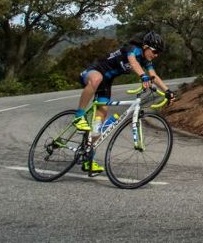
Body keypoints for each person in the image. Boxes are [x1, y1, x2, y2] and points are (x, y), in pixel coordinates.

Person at [72, 31, 175, 174]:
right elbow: (132, 62)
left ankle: (88, 158)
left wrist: (168, 91)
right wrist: (142, 76)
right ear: (145, 46)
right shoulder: (132, 49)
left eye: (159, 53)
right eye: (155, 51)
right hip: (95, 71)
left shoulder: (146, 59)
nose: (156, 55)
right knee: (96, 80)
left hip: (106, 82)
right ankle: (79, 115)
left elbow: (154, 75)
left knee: (98, 125)